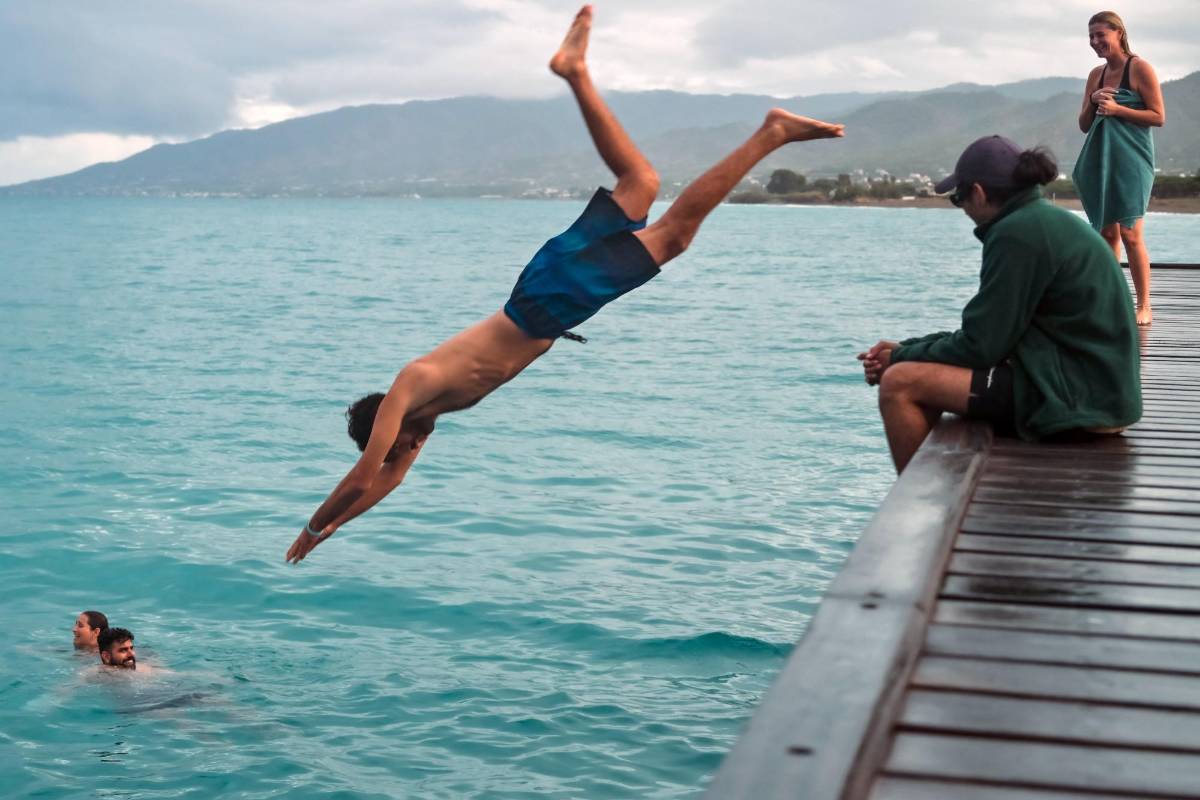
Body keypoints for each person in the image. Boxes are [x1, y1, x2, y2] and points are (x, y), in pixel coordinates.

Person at [285, 4, 844, 564]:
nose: (406, 452)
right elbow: (389, 484)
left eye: (396, 446)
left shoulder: (409, 388)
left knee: (673, 235)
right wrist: (340, 527)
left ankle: (770, 133)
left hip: (548, 302)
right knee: (641, 181)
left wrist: (313, 527)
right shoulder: (427, 414)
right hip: (544, 291)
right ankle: (574, 70)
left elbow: (365, 477)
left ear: (387, 426)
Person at [859, 135, 1141, 473]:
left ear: (977, 193)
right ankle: (936, 488)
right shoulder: (1043, 221)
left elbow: (981, 347)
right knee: (915, 372)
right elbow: (990, 332)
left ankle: (924, 516)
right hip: (1093, 390)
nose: (961, 208)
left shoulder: (1017, 234)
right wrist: (910, 347)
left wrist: (900, 358)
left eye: (958, 198)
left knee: (900, 383)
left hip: (1078, 402)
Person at [1073, 10, 1165, 326]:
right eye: (1091, 36)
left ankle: (1144, 305)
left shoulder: (1139, 68)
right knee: (1106, 232)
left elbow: (1158, 116)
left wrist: (1117, 109)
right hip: (1101, 159)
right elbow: (1085, 125)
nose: (1095, 42)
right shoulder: (1095, 75)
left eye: (1101, 34)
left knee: (1131, 232)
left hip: (1133, 160)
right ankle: (1110, 300)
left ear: (1118, 33)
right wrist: (1093, 100)